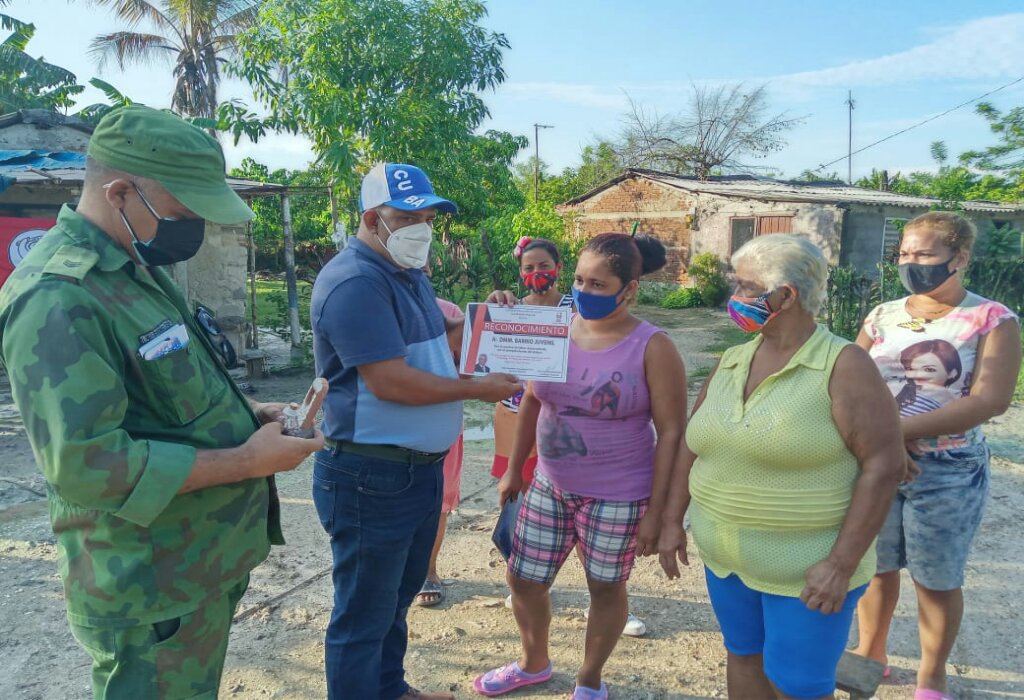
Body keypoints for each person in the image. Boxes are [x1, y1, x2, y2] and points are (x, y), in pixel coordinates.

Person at [0, 105, 324, 699]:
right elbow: (85, 466)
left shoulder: (133, 267)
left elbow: (170, 392)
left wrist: (255, 417)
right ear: (120, 191)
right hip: (147, 585)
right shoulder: (59, 298)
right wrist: (249, 462)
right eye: (182, 211)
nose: (193, 226)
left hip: (193, 567)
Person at [658, 234, 906, 700]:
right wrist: (673, 520)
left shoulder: (843, 365)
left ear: (786, 295)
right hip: (726, 562)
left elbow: (884, 467)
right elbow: (694, 445)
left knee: (796, 683)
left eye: (747, 287)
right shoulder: (733, 359)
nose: (735, 297)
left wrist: (840, 565)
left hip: (807, 572)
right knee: (743, 656)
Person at [310, 162, 522, 700]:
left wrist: (482, 320)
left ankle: (390, 689)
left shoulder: (408, 275)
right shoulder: (356, 281)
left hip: (414, 471)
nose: (420, 227)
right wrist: (477, 390)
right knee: (363, 613)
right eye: (406, 217)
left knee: (395, 597)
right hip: (370, 473)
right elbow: (390, 381)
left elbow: (439, 338)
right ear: (371, 219)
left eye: (427, 216)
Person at [475, 232, 687, 700]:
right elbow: (530, 398)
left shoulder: (653, 347)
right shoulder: (556, 329)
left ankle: (589, 681)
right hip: (549, 484)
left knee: (605, 587)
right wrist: (515, 470)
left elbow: (673, 432)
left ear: (629, 288)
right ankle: (533, 663)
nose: (585, 293)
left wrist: (661, 512)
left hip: (620, 494)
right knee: (523, 578)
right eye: (579, 281)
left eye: (598, 284)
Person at [851, 212, 1021, 700]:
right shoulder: (882, 315)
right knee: (876, 567)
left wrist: (893, 433)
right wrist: (882, 444)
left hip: (947, 470)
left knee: (937, 577)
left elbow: (989, 400)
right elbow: (851, 379)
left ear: (960, 257)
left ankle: (931, 674)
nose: (911, 262)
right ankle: (870, 652)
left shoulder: (992, 319)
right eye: (905, 253)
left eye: (924, 253)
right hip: (876, 465)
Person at [491, 236, 648, 637]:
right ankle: (533, 598)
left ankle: (606, 599)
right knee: (523, 537)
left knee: (599, 559)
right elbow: (522, 392)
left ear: (557, 267)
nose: (535, 274)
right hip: (525, 430)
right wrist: (493, 311)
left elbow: (672, 429)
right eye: (527, 268)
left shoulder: (574, 314)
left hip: (605, 473)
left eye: (543, 266)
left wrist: (665, 511)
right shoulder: (515, 310)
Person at [415, 297, 467, 607]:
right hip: (392, 426)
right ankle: (403, 569)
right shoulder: (378, 305)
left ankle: (428, 571)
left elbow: (471, 366)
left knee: (439, 501)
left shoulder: (450, 313)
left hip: (443, 425)